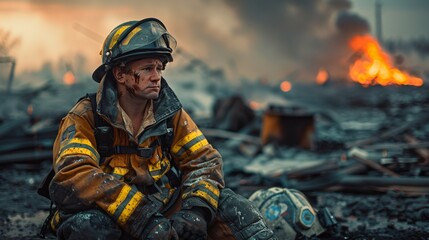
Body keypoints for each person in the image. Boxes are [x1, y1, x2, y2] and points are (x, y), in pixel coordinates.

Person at [47, 17, 276, 240]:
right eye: (147, 68)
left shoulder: (169, 113)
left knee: (234, 208)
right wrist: (142, 219)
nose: (157, 77)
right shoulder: (86, 116)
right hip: (108, 213)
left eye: (159, 68)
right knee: (89, 228)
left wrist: (196, 212)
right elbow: (75, 174)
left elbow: (204, 160)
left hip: (161, 209)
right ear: (120, 74)